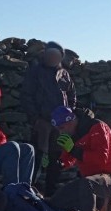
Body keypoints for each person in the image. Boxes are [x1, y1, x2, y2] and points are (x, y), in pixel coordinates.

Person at [48, 106, 111, 211]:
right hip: (89, 181)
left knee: (86, 184)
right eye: (59, 129)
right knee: (56, 201)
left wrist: (73, 149)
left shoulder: (97, 127)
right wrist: (55, 162)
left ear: (71, 121)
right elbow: (68, 160)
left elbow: (101, 160)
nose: (61, 132)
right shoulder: (73, 133)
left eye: (63, 127)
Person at [20, 41, 76, 195]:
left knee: (57, 157)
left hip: (60, 124)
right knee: (38, 155)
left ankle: (51, 192)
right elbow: (27, 95)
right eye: (50, 54)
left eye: (56, 55)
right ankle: (29, 190)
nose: (52, 58)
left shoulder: (64, 74)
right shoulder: (35, 72)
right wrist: (35, 119)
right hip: (42, 122)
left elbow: (71, 95)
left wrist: (69, 114)